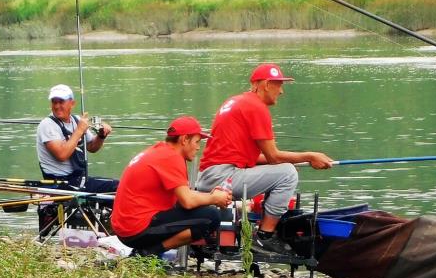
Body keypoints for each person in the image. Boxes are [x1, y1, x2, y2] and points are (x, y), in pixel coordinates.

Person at [194, 63, 334, 257]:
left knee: (284, 169)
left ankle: (261, 232)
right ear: (266, 85)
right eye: (279, 85)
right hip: (223, 178)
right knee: (288, 174)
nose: (281, 91)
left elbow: (254, 158)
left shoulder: (237, 101)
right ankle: (264, 237)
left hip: (208, 176)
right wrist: (310, 156)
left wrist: (286, 162)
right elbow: (273, 156)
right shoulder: (256, 107)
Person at [111, 116, 232, 256]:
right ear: (184, 139)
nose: (199, 147)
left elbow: (184, 195)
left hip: (124, 226)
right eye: (197, 142)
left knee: (200, 208)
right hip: (135, 229)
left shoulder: (161, 151)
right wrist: (214, 198)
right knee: (211, 217)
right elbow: (187, 201)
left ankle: (148, 251)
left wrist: (211, 196)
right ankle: (149, 252)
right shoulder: (172, 157)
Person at [36, 83, 117, 192]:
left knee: (119, 185)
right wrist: (79, 130)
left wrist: (101, 135)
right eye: (54, 102)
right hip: (58, 184)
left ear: (72, 103)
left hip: (79, 180)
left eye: (61, 102)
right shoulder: (47, 125)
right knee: (116, 187)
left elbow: (92, 147)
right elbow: (62, 155)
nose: (57, 106)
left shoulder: (77, 120)